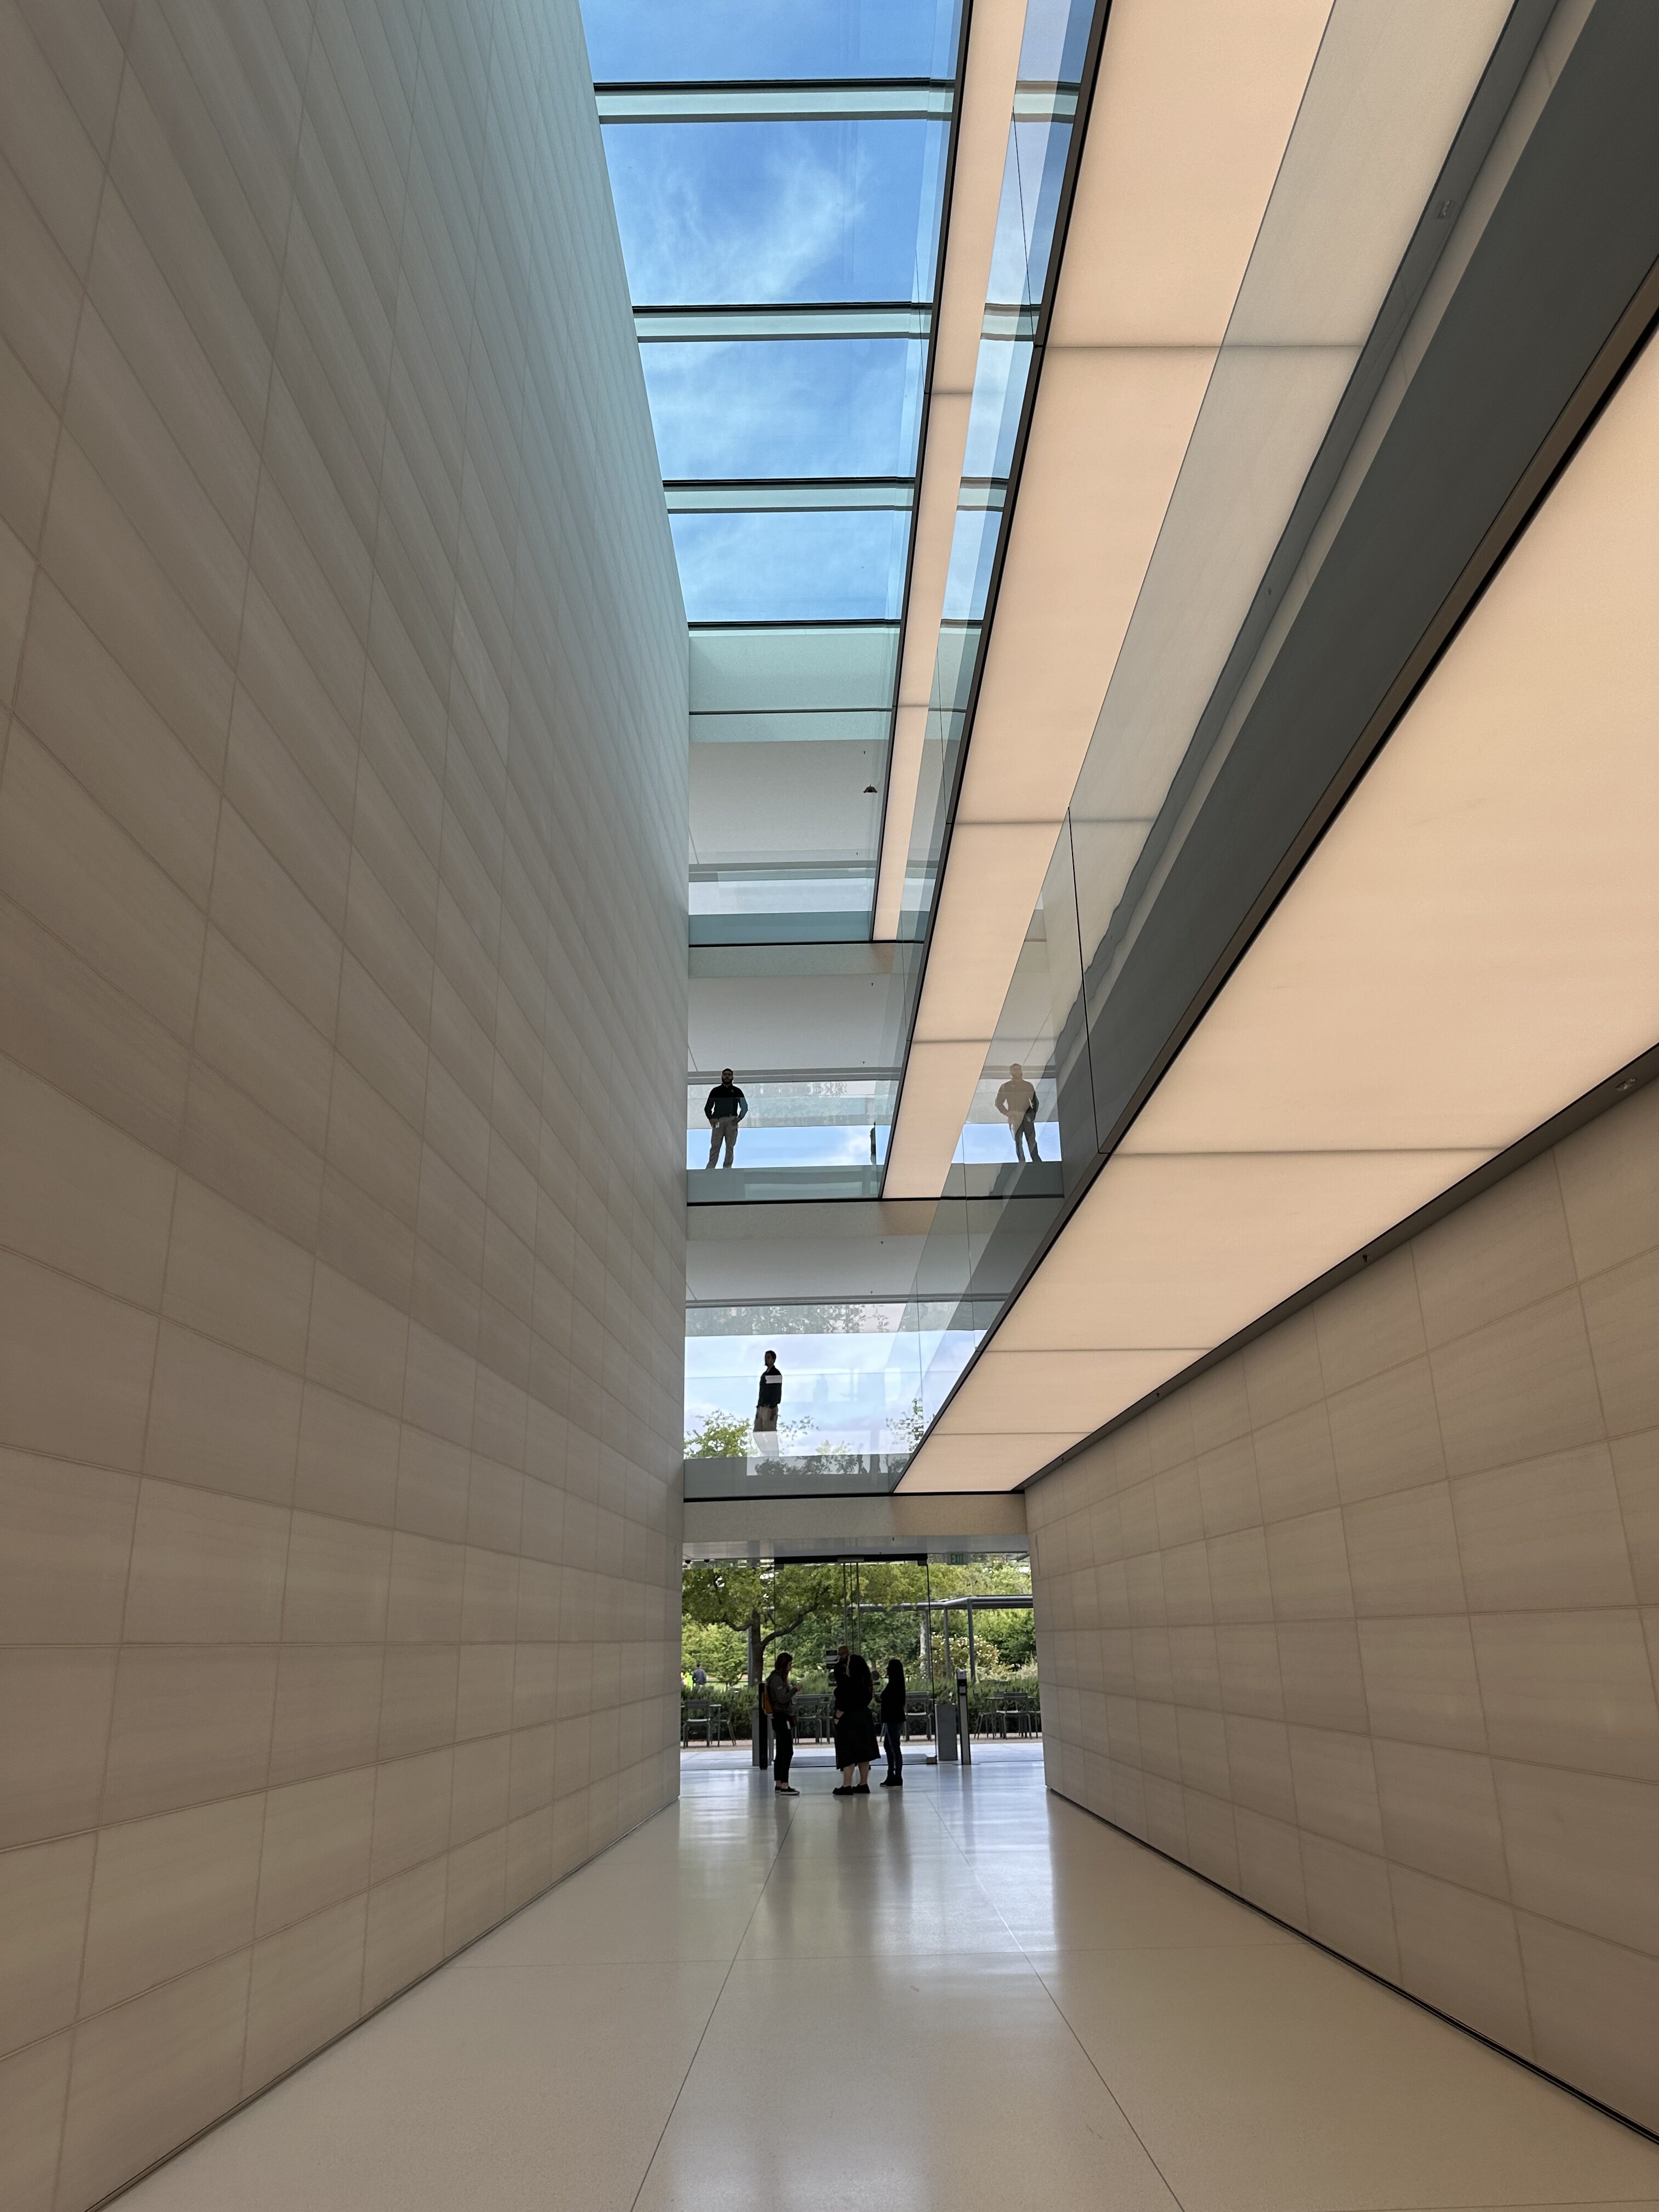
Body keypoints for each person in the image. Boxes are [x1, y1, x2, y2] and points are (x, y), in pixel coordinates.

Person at [832, 1647, 878, 1795]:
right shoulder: (866, 1683)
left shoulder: (847, 1684)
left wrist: (838, 1717)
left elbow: (844, 1702)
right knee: (864, 1751)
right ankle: (863, 1784)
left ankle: (847, 1785)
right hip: (864, 1717)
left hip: (849, 1719)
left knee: (848, 1751)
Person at [763, 1650, 798, 1793]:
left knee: (782, 1751)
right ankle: (785, 1784)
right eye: (789, 1664)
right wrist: (795, 1690)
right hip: (781, 1717)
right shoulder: (777, 1679)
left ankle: (779, 1783)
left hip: (779, 1718)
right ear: (784, 1665)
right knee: (787, 1751)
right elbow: (783, 1698)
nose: (791, 1667)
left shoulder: (774, 1678)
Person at [995, 1063, 1041, 1163]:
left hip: (1026, 1116)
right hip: (1015, 1117)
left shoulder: (1028, 1086)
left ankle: (1036, 1160)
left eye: (1019, 1069)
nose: (1017, 1072)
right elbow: (998, 1103)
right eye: (1015, 1070)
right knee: (1018, 1141)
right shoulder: (1005, 1087)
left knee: (1031, 1139)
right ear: (1011, 1072)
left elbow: (1035, 1102)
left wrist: (1032, 1116)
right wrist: (1008, 1113)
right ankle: (1021, 1161)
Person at [703, 1068, 748, 1167]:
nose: (727, 1077)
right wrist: (711, 1118)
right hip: (718, 1120)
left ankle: (727, 1168)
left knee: (730, 1146)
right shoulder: (715, 1091)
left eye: (729, 1075)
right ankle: (711, 1167)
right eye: (725, 1075)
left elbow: (744, 1107)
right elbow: (708, 1107)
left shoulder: (737, 1091)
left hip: (731, 1120)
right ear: (722, 1077)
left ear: (732, 1077)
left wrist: (739, 1118)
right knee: (715, 1145)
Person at [879, 1656, 906, 1786]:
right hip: (897, 1717)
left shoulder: (893, 1684)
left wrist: (881, 1699)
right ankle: (893, 1774)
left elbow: (889, 1700)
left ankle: (896, 1775)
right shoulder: (899, 1683)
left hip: (892, 1718)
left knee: (893, 1747)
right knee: (891, 1746)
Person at [753, 1351, 782, 1457]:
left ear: (774, 1359)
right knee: (757, 1432)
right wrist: (758, 1408)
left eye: (769, 1358)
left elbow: (777, 1391)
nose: (766, 1360)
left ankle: (774, 1456)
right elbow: (761, 1392)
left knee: (770, 1432)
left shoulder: (776, 1373)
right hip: (761, 1407)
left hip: (770, 1407)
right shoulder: (764, 1375)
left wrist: (773, 1407)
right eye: (766, 1357)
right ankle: (767, 1453)